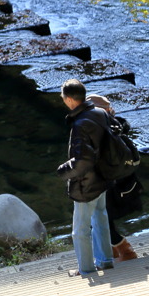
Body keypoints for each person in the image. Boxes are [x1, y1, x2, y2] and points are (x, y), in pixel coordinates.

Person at [57, 78, 114, 277]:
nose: (63, 100)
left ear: (71, 100)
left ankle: (87, 270)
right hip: (103, 177)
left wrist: (64, 171)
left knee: (80, 230)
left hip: (86, 183)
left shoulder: (79, 124)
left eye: (63, 97)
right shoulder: (100, 113)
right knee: (100, 218)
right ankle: (106, 261)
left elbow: (83, 160)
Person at [86, 93, 142, 263]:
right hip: (122, 182)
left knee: (98, 218)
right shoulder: (114, 127)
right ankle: (113, 250)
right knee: (100, 218)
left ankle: (124, 249)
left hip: (112, 183)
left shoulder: (105, 131)